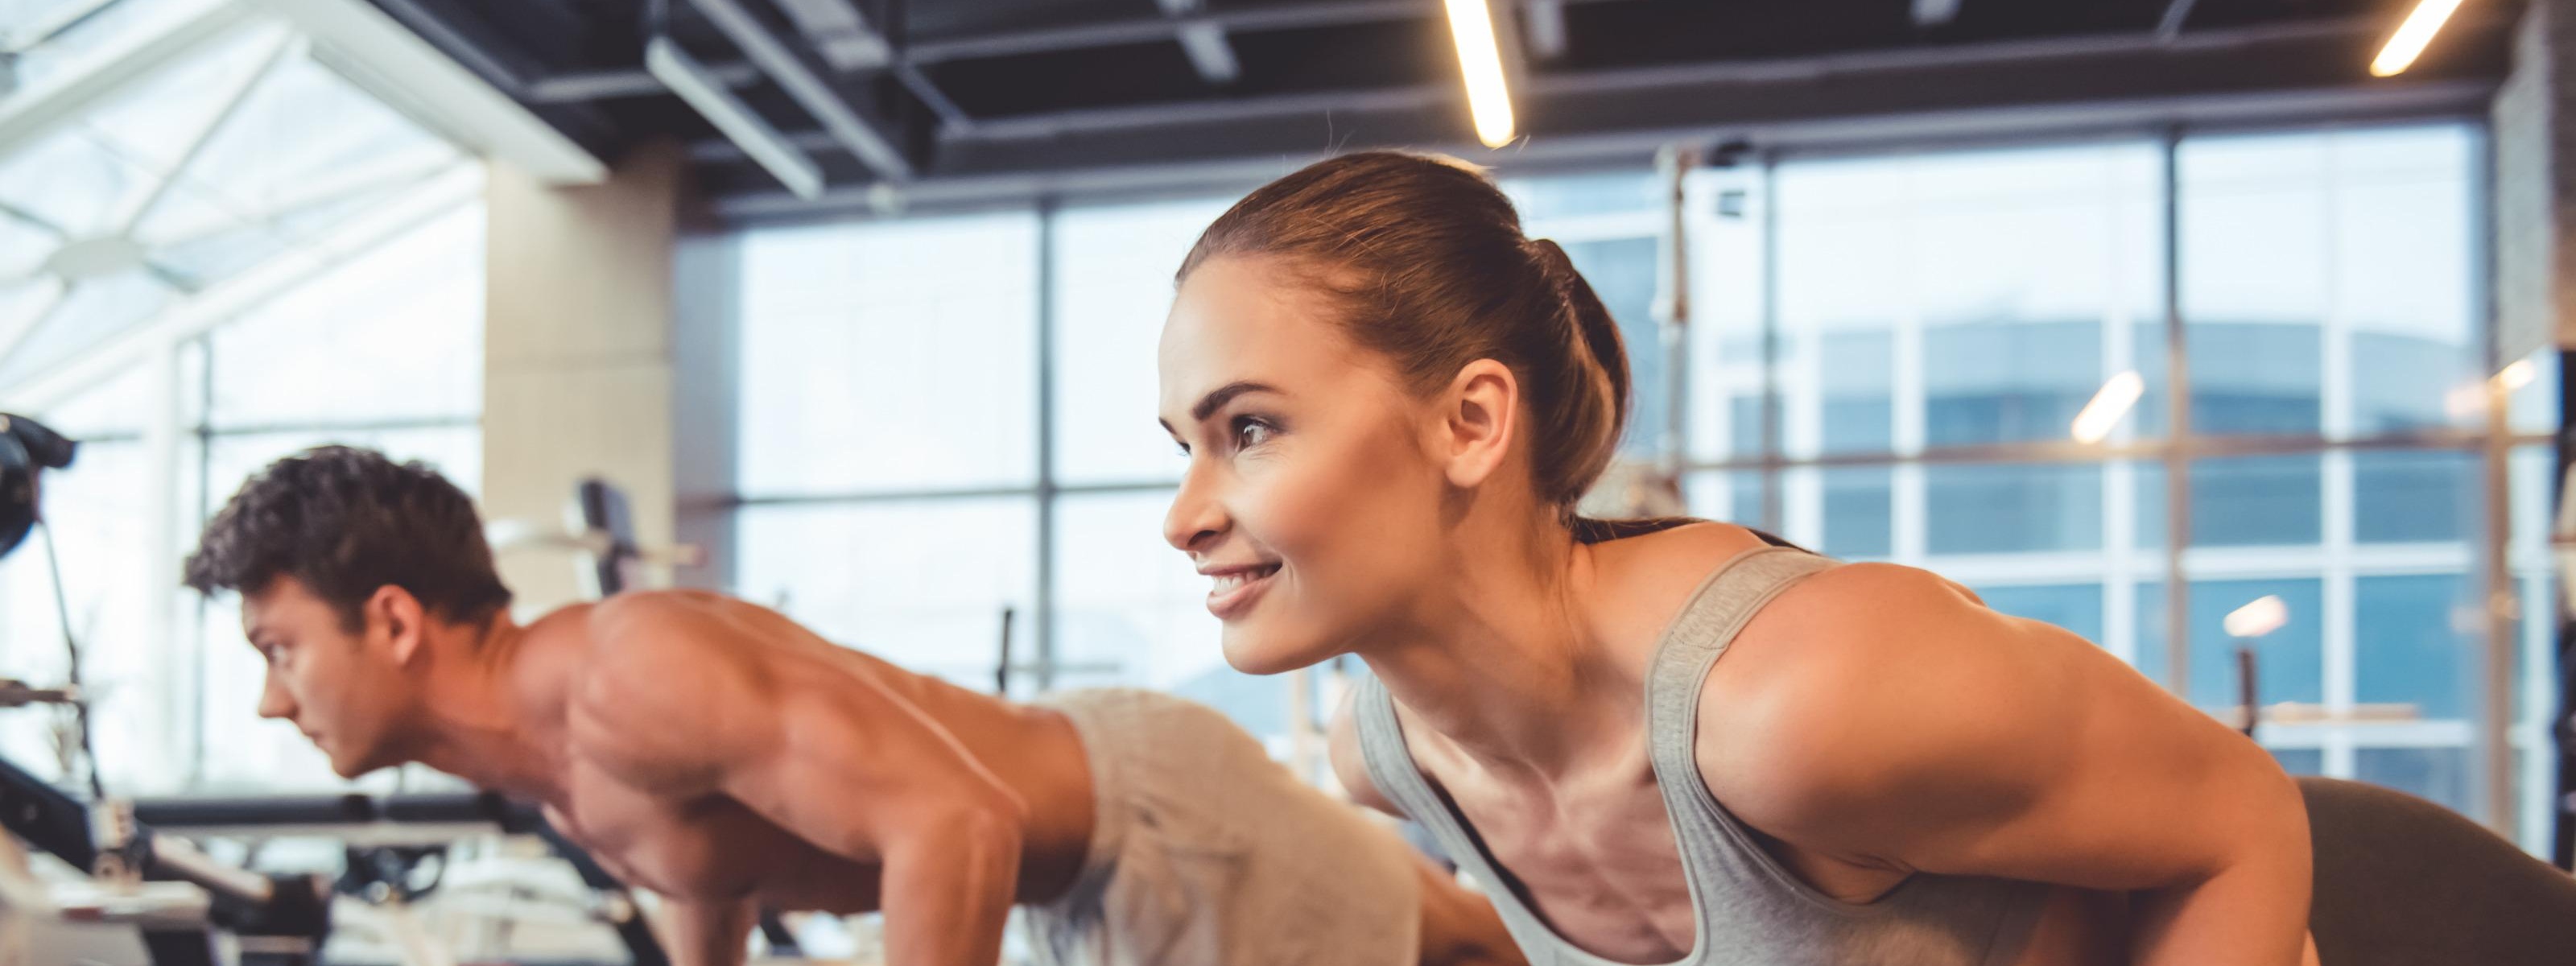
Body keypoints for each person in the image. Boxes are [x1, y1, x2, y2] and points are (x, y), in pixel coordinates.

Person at [1154, 151, 2322, 965]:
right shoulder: (1392, 759)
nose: (1185, 516)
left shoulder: (1805, 706)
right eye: (1184, 448)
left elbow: (2245, 821)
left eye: (1248, 430)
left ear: (1470, 424)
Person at [182, 446, 1523, 966]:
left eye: (280, 647)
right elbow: (703, 867)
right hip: (1084, 875)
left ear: (397, 622)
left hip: (1146, 820)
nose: (265, 699)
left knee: (1472, 945)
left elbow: (955, 824)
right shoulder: (546, 757)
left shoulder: (621, 672)